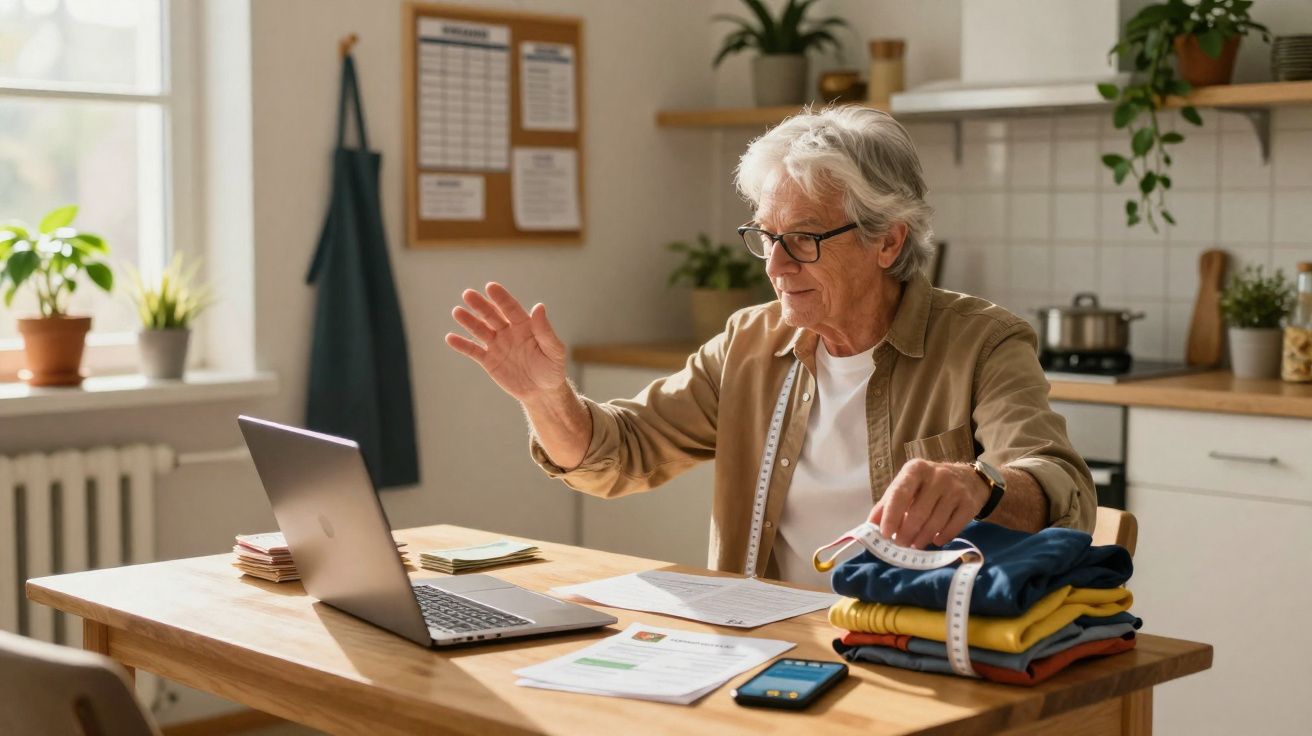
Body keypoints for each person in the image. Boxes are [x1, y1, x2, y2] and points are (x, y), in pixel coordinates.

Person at [445, 107, 1095, 589]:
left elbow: (1061, 488)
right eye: (765, 237)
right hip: (768, 645)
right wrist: (545, 396)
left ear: (888, 242)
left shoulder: (983, 343)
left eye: (804, 239)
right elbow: (621, 455)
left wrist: (979, 486)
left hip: (916, 648)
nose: (776, 267)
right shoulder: (750, 343)